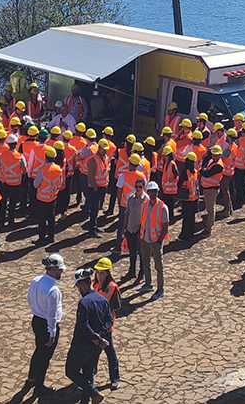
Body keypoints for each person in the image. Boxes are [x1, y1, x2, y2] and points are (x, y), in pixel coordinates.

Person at [65, 267, 112, 404]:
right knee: (88, 373)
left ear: (81, 284)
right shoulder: (102, 300)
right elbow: (109, 320)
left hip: (82, 345)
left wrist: (96, 338)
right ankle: (86, 400)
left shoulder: (84, 302)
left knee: (71, 371)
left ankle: (93, 393)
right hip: (96, 346)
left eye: (78, 286)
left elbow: (83, 325)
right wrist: (101, 338)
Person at [26, 254, 67, 393]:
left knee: (38, 350)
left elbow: (29, 299)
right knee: (45, 356)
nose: (61, 272)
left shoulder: (36, 280)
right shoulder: (53, 290)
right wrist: (52, 333)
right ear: (54, 270)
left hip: (36, 320)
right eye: (60, 270)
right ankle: (39, 386)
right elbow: (52, 314)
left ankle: (31, 378)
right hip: (46, 325)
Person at [91, 258, 123, 390]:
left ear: (108, 273)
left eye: (102, 273)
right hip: (94, 324)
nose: (99, 275)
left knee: (109, 351)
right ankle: (90, 374)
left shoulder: (112, 287)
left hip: (105, 326)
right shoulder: (94, 283)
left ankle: (115, 378)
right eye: (98, 272)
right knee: (93, 351)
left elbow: (116, 307)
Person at [137, 181, 169, 298]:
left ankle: (160, 289)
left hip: (156, 241)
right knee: (146, 263)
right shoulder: (145, 205)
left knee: (158, 266)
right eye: (150, 191)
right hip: (145, 239)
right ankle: (148, 284)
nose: (152, 193)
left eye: (154, 191)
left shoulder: (163, 208)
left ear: (157, 192)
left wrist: (159, 241)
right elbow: (143, 220)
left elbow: (165, 227)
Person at [35, 146, 65, 245]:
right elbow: (60, 184)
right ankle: (51, 237)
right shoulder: (58, 169)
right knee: (51, 218)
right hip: (53, 197)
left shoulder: (42, 169)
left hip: (42, 198)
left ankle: (41, 238)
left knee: (42, 219)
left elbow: (36, 184)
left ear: (45, 156)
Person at [119, 173, 146, 283]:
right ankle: (131, 271)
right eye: (136, 186)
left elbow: (147, 217)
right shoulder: (131, 198)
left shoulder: (146, 200)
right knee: (132, 252)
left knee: (141, 253)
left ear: (144, 187)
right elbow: (127, 213)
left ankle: (141, 274)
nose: (138, 189)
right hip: (130, 229)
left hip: (139, 230)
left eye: (140, 186)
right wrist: (124, 227)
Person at [0, 135, 25, 230]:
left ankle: (1, 222)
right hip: (16, 184)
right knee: (12, 204)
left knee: (3, 202)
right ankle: (11, 222)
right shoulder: (20, 156)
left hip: (4, 183)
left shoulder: (1, 155)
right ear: (16, 144)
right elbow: (24, 170)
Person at [201, 145, 225, 234]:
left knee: (210, 210)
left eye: (217, 155)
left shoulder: (219, 166)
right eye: (213, 155)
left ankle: (208, 229)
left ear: (220, 155)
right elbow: (204, 166)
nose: (214, 157)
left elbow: (206, 173)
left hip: (212, 190)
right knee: (209, 209)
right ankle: (208, 224)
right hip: (208, 189)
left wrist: (202, 170)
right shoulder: (212, 160)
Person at [230, 118, 245, 209]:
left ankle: (237, 201)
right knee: (243, 184)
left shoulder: (238, 141)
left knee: (237, 185)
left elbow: (233, 150)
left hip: (238, 166)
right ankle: (241, 200)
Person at [178, 153, 200, 241]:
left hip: (187, 198)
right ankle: (190, 234)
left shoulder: (185, 172)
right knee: (191, 218)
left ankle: (184, 236)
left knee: (186, 218)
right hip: (194, 199)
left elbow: (179, 183)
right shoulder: (195, 172)